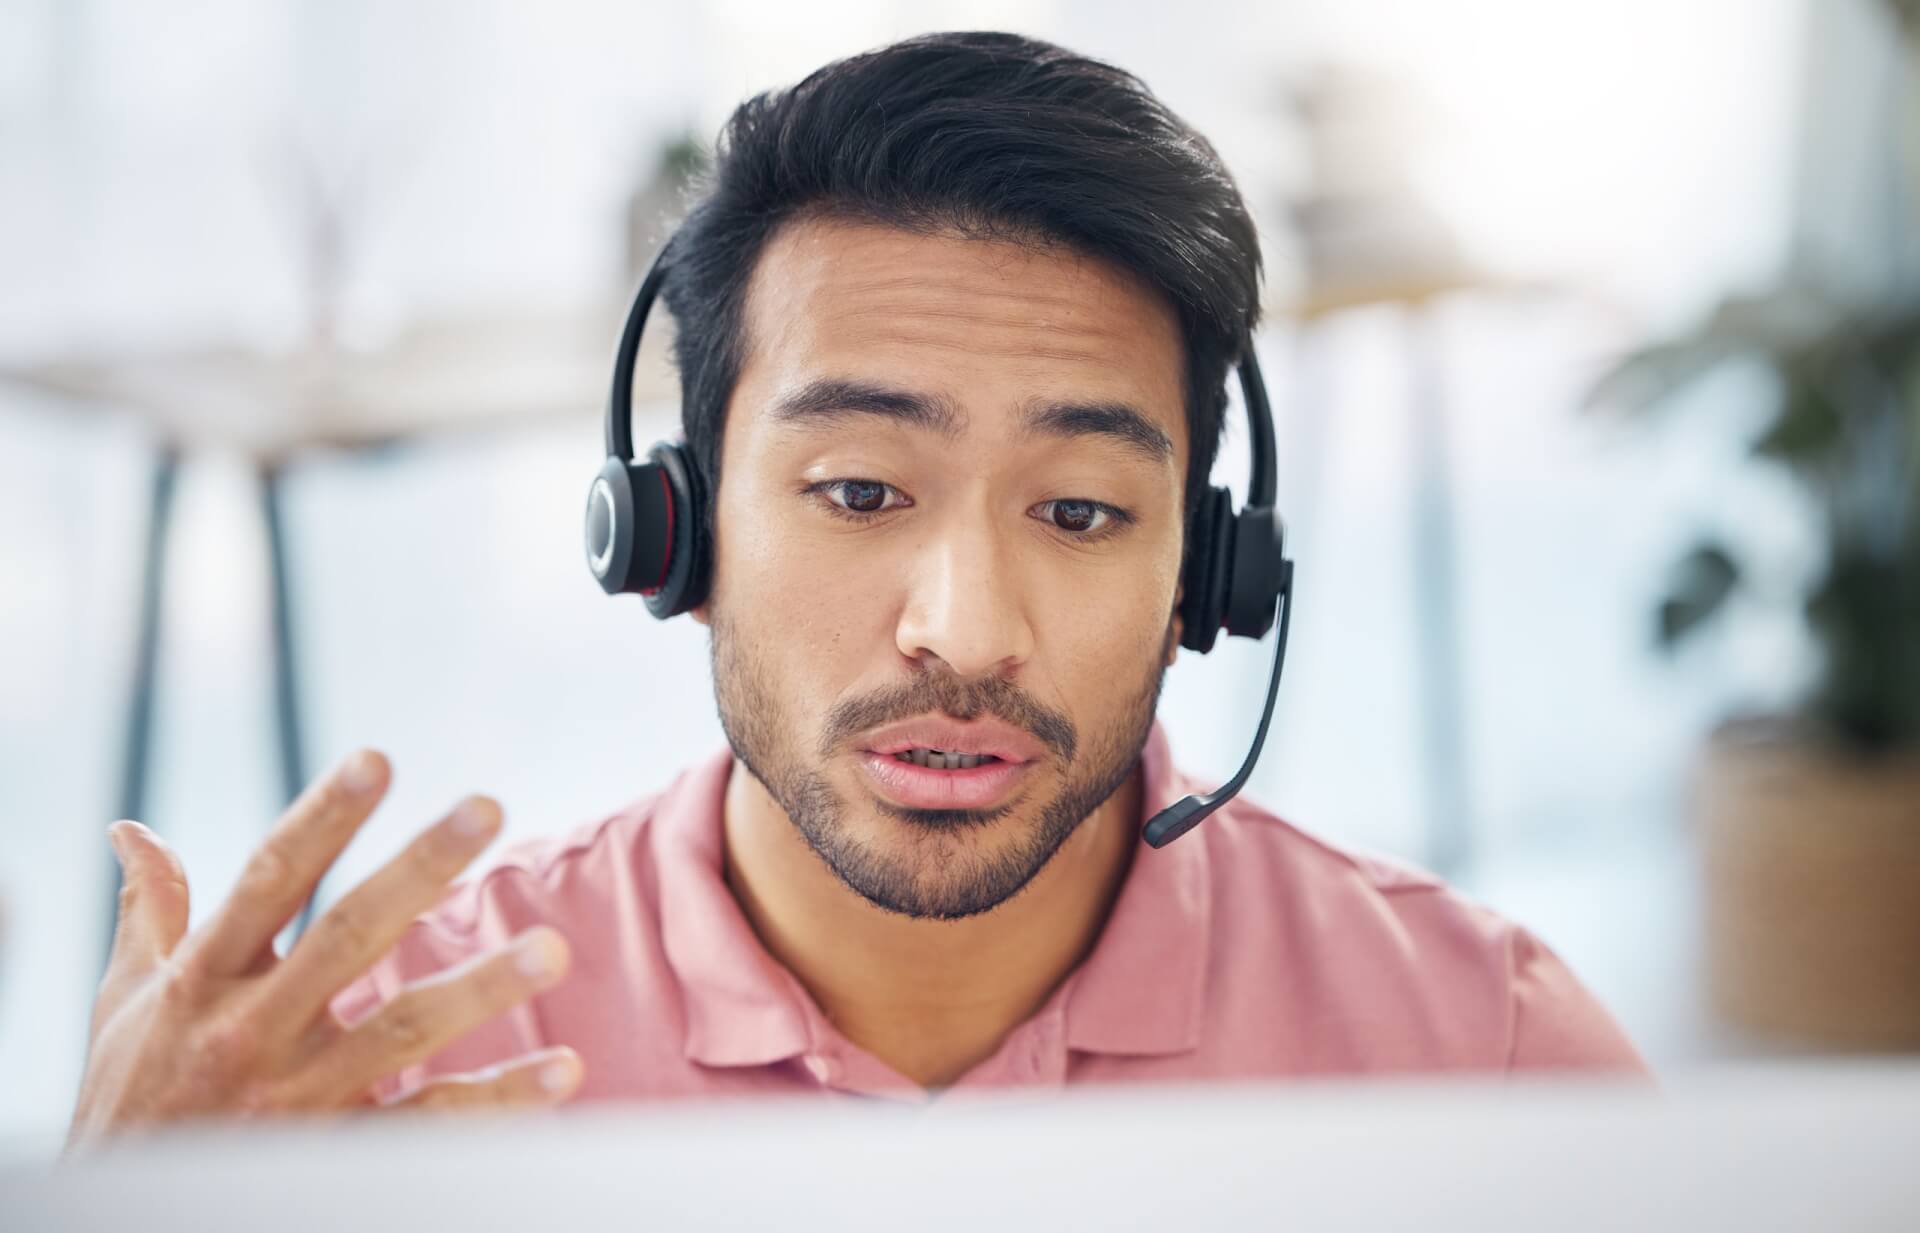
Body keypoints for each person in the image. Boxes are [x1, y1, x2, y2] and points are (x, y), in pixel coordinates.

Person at [66, 31, 1645, 1146]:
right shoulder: (375, 1074)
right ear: (672, 534)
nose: (962, 629)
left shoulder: (1480, 1046)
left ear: (1207, 577)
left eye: (1084, 510)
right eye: (861, 491)